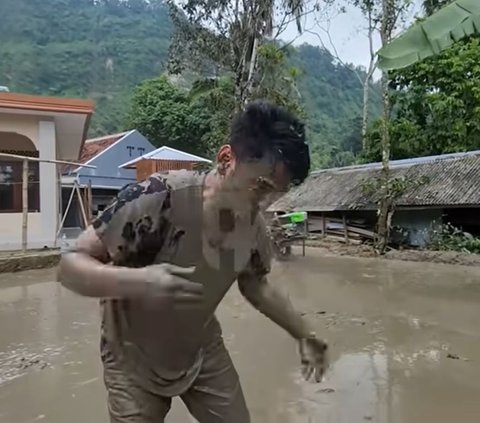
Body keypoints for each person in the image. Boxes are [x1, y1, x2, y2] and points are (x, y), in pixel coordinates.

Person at [57, 100, 328, 423]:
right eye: (261, 187)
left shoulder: (253, 228)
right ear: (226, 159)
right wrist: (142, 282)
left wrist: (304, 334)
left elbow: (255, 286)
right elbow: (71, 265)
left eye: (277, 194)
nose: (266, 203)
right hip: (131, 357)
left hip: (201, 350)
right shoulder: (158, 197)